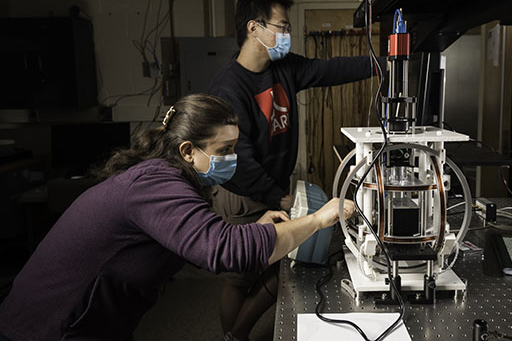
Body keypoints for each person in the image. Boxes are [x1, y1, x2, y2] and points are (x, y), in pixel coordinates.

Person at [0, 94, 354, 341]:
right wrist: (319, 219)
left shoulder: (166, 176)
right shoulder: (155, 184)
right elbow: (226, 251)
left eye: (234, 148)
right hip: (52, 326)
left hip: (96, 319)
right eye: (224, 151)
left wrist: (249, 230)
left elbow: (197, 236)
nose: (233, 158)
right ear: (188, 150)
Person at [207, 0, 378, 339]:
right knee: (241, 278)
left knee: (283, 267)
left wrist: (381, 63)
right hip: (244, 196)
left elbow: (329, 70)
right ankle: (233, 336)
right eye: (281, 27)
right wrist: (279, 197)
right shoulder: (229, 87)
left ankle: (235, 335)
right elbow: (240, 159)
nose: (286, 35)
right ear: (254, 28)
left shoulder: (283, 68)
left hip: (275, 190)